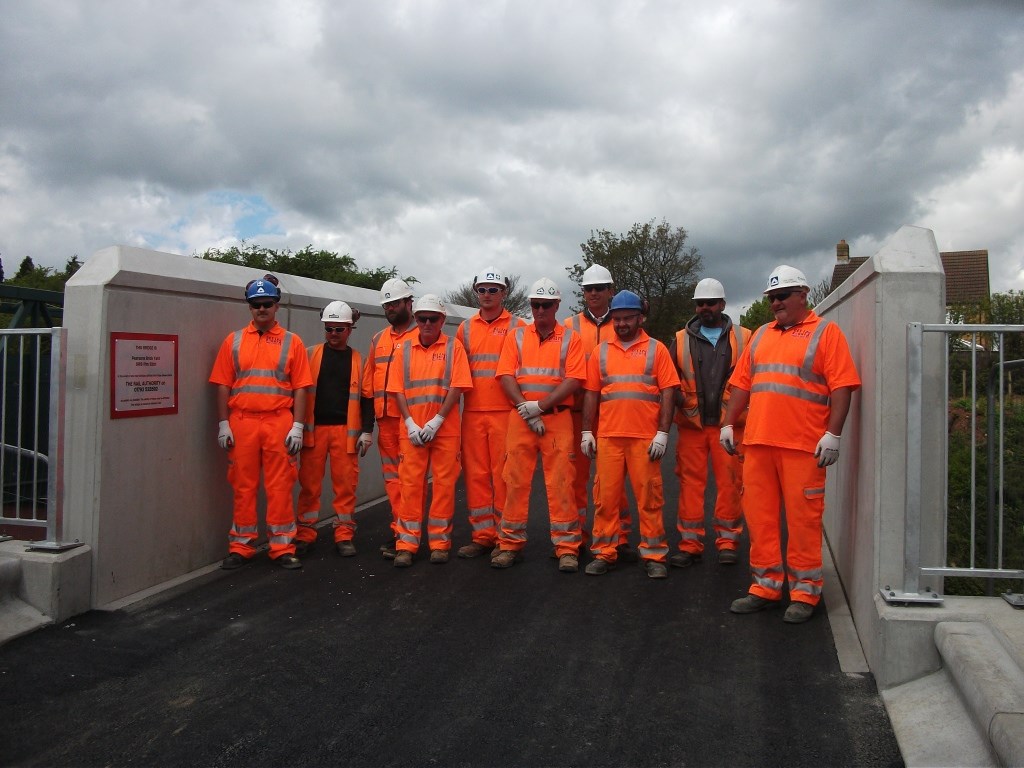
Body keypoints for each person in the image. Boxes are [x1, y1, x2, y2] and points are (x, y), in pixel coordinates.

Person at [720, 265, 860, 624]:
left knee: (803, 523)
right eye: (771, 298)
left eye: (782, 296)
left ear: (803, 294)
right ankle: (765, 587)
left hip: (802, 447)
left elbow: (842, 386)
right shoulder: (762, 335)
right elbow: (742, 385)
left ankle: (804, 593)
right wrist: (727, 424)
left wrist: (834, 433)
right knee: (761, 519)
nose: (776, 304)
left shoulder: (826, 334)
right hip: (758, 444)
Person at [209, 274, 312, 570]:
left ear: (277, 305)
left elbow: (302, 387)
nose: (261, 309)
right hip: (241, 422)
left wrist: (298, 426)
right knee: (243, 486)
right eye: (255, 305)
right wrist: (223, 423)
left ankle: (282, 547)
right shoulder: (234, 340)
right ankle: (241, 546)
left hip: (279, 422)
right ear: (249, 307)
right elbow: (222, 384)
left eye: (267, 303)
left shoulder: (292, 342)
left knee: (280, 486)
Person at [581, 291, 679, 579]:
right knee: (605, 499)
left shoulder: (656, 349)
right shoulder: (601, 351)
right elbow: (591, 393)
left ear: (640, 317)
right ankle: (604, 552)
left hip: (644, 439)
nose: (622, 324)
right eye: (617, 319)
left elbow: (669, 391)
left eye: (627, 318)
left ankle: (654, 554)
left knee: (649, 499)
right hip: (609, 437)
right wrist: (587, 430)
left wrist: (663, 433)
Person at [493, 278, 586, 573]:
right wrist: (527, 409)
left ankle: (567, 547)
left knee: (561, 482)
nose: (540, 310)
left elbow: (574, 379)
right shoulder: (516, 336)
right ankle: (509, 545)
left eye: (546, 305)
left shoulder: (571, 338)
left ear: (557, 305)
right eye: (536, 305)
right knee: (514, 481)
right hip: (521, 419)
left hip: (557, 419)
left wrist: (541, 407)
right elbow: (505, 375)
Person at [669, 278, 752, 568]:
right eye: (700, 303)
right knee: (691, 485)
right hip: (693, 426)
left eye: (711, 303)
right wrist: (681, 401)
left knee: (730, 483)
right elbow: (669, 381)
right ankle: (690, 543)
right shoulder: (680, 339)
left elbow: (755, 378)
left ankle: (728, 541)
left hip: (729, 425)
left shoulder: (745, 337)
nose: (705, 308)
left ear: (722, 305)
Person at [387, 294, 473, 567]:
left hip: (444, 430)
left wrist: (436, 421)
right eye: (422, 318)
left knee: (444, 487)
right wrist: (411, 422)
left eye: (432, 319)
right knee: (410, 487)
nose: (427, 323)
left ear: (442, 320)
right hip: (411, 431)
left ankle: (439, 543)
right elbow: (397, 390)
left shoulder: (453, 348)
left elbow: (456, 387)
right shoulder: (403, 350)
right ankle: (406, 544)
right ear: (415, 319)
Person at [564, 263, 634, 558]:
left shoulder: (622, 322)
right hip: (577, 413)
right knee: (575, 479)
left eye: (599, 288)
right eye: (588, 289)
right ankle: (577, 533)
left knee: (612, 480)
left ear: (610, 291)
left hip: (611, 415)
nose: (593, 293)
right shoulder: (569, 327)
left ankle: (620, 533)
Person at [455, 266, 526, 558]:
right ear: (476, 292)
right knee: (476, 476)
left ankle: (507, 538)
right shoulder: (465, 328)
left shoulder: (518, 327)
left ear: (504, 293)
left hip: (504, 412)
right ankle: (483, 535)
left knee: (504, 476)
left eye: (493, 289)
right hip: (472, 412)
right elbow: (458, 371)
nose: (487, 294)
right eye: (482, 289)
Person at [295, 301, 375, 557]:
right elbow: (296, 391)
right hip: (314, 431)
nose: (333, 334)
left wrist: (367, 430)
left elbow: (367, 399)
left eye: (339, 329)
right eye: (329, 329)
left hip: (345, 432)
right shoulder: (309, 355)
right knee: (309, 486)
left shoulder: (360, 362)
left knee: (345, 487)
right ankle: (305, 533)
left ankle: (344, 533)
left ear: (350, 329)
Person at [361, 278, 417, 559]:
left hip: (410, 423)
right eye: (387, 305)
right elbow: (368, 386)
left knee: (410, 480)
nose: (391, 309)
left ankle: (410, 535)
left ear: (409, 302)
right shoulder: (378, 340)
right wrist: (366, 428)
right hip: (385, 423)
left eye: (395, 303)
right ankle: (400, 531)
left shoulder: (422, 336)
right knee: (393, 481)